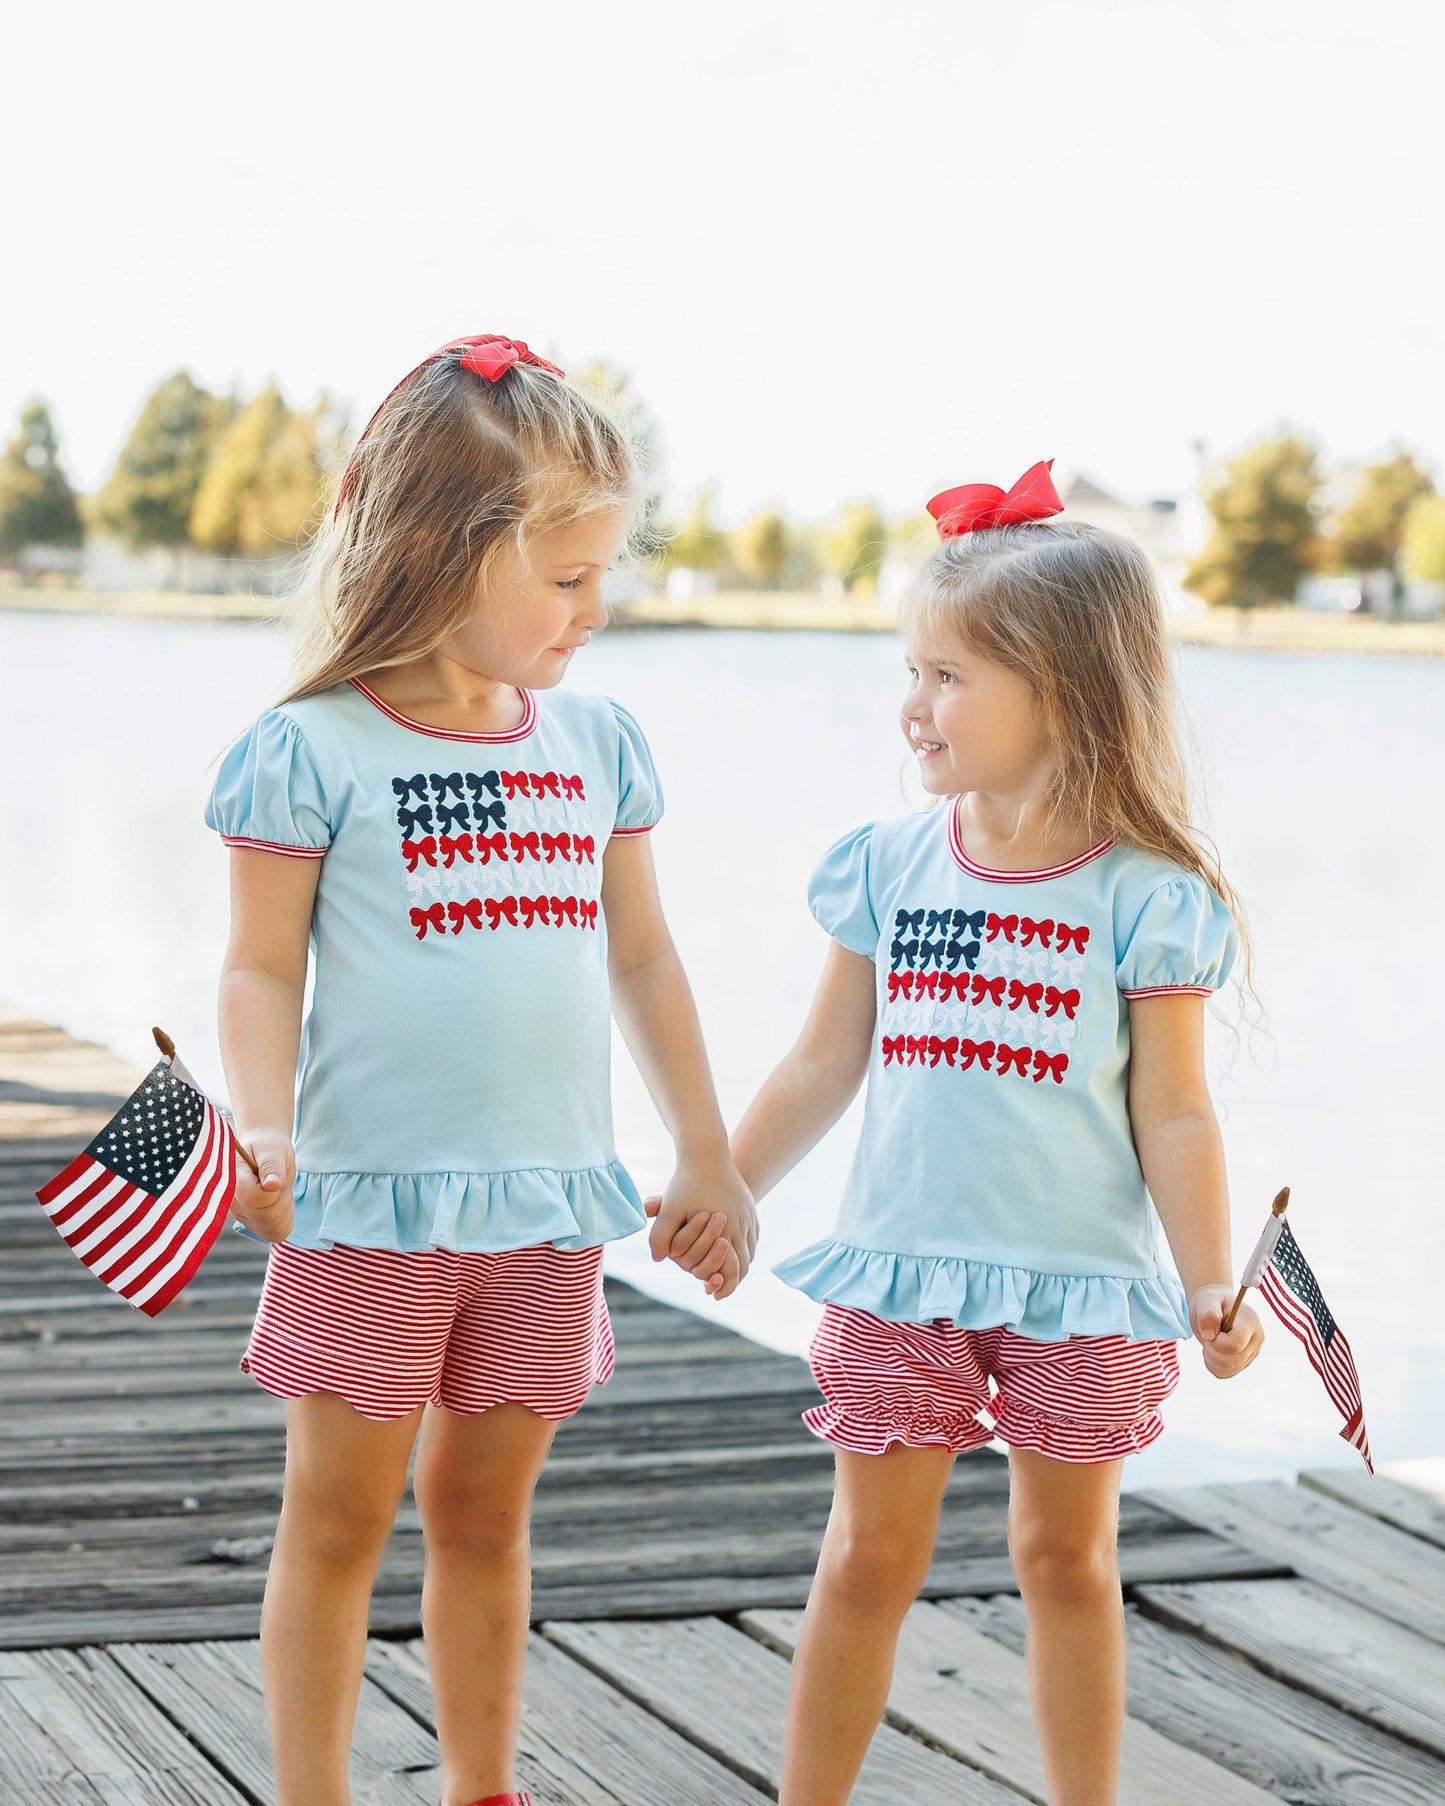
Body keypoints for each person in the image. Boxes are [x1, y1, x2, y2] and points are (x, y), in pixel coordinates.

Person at [206, 334, 756, 1806]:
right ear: (442, 553)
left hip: (544, 1207)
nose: (594, 612)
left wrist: (707, 1150)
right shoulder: (310, 748)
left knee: (483, 1513)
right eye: (565, 579)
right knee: (336, 1520)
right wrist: (263, 1120)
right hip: (370, 1203)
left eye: (601, 578)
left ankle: (481, 1784)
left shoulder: (595, 745)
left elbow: (643, 957)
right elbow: (262, 965)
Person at [724, 462, 1265, 1806]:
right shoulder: (888, 864)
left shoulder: (1147, 899)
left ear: (1067, 692)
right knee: (864, 1557)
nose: (913, 707)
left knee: (1067, 1560)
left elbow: (1174, 1108)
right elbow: (819, 1058)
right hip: (900, 1268)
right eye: (911, 671)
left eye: (949, 676)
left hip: (1078, 1287)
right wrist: (724, 1181)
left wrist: (1210, 1277)